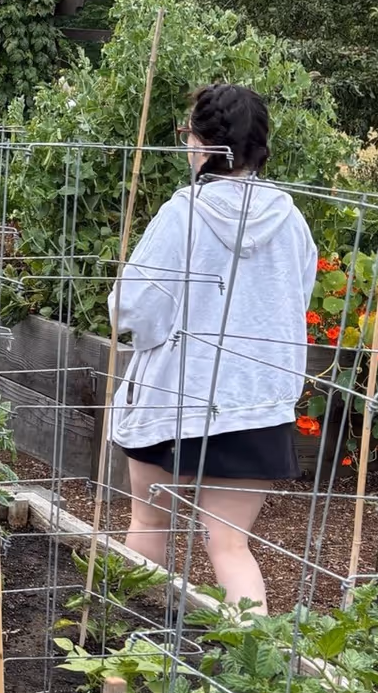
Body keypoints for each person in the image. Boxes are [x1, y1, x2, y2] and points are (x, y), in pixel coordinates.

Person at [108, 83, 318, 610]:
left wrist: (152, 335)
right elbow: (296, 297)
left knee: (148, 521)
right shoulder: (290, 220)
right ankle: (253, 678)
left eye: (188, 135)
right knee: (230, 545)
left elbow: (134, 305)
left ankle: (134, 653)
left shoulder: (185, 213)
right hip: (255, 401)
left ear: (201, 143)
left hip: (176, 395)